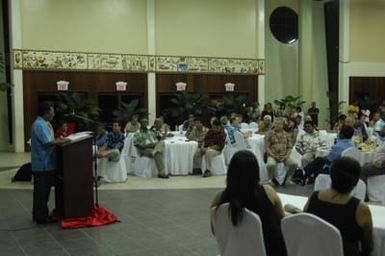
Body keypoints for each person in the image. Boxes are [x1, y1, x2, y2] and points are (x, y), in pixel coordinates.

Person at [211, 150, 287, 256]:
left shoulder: (219, 200)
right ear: (256, 171)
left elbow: (216, 232)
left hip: (235, 251)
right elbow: (283, 222)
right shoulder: (268, 192)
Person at [304, 157, 373, 256]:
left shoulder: (314, 197)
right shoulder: (360, 208)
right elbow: (368, 245)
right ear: (356, 180)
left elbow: (306, 222)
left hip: (314, 251)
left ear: (331, 176)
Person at [31, 101, 69, 224]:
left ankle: (39, 214)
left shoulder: (43, 123)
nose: (53, 114)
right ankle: (41, 216)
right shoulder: (40, 125)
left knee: (43, 191)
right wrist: (63, 141)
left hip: (46, 164)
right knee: (42, 192)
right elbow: (47, 142)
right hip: (42, 164)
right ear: (46, 112)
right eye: (52, 112)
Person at [265, 118, 297, 185]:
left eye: (279, 124)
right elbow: (267, 148)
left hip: (284, 155)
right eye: (276, 124)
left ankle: (288, 178)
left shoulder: (287, 134)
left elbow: (290, 147)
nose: (277, 125)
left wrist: (286, 156)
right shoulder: (269, 134)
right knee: (270, 165)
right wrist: (274, 156)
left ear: (283, 125)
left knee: (294, 164)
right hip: (273, 155)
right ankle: (271, 179)